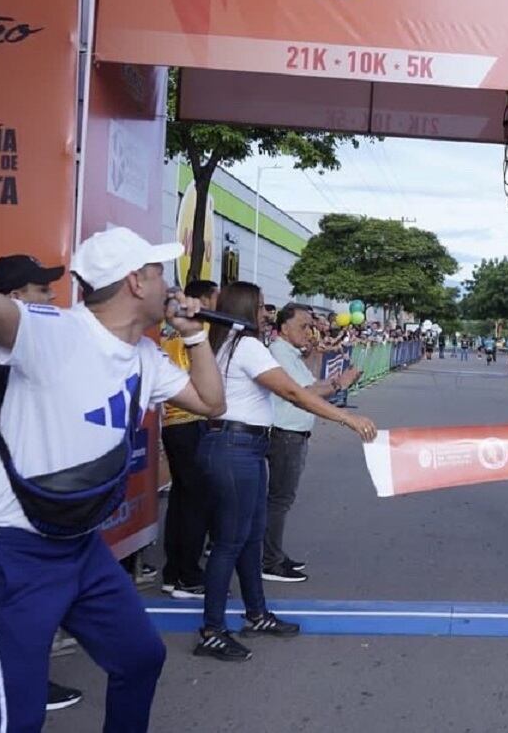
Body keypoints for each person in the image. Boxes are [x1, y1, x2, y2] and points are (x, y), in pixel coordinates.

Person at [0, 220, 228, 731]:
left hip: (78, 545)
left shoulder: (145, 356)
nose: (171, 287)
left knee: (140, 658)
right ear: (136, 282)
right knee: (16, 714)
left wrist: (195, 335)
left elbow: (212, 402)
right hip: (7, 542)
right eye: (160, 274)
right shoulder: (53, 331)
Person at [196, 282, 377, 662]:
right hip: (235, 448)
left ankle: (256, 613)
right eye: (261, 308)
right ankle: (212, 630)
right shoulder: (245, 346)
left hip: (245, 447)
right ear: (245, 309)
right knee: (230, 542)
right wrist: (346, 418)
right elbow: (293, 392)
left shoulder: (231, 345)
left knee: (250, 538)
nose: (267, 314)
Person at [0, 255, 85, 713]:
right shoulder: (4, 339)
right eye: (41, 290)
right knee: (15, 584)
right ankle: (20, 683)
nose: (51, 297)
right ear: (14, 298)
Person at [263, 303, 361, 584]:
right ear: (283, 328)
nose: (309, 332)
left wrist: (317, 354)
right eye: (303, 327)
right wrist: (341, 382)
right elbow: (304, 393)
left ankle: (274, 555)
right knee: (279, 500)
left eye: (311, 326)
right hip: (284, 432)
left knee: (281, 499)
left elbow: (311, 384)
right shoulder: (279, 353)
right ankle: (270, 560)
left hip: (293, 432)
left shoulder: (290, 354)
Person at [159, 278, 220, 601]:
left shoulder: (172, 330)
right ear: (201, 300)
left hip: (175, 421)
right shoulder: (191, 332)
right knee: (195, 502)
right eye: (214, 299)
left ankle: (175, 572)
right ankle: (187, 576)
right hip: (188, 418)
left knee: (183, 502)